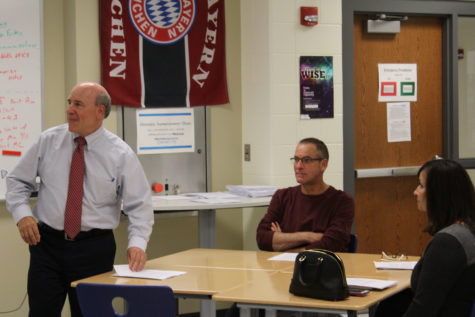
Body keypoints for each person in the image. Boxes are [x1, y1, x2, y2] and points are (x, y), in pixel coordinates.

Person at [6, 82, 154, 317]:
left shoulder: (120, 154)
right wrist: (23, 216)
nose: (69, 110)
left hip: (94, 250)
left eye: (78, 104)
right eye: (69, 103)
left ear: (100, 112)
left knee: (90, 313)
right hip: (47, 247)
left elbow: (140, 205)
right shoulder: (48, 141)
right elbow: (16, 182)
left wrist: (137, 243)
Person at [375, 159, 475, 317]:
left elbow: (423, 310)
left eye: (421, 186)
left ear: (439, 193)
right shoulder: (466, 230)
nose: (415, 192)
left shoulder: (448, 243)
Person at [256, 137, 354, 252]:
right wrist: (309, 237)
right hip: (281, 269)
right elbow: (262, 238)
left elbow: (332, 245)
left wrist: (283, 244)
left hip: (322, 268)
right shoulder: (282, 196)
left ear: (323, 164)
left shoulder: (342, 201)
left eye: (306, 160)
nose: (299, 166)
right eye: (296, 159)